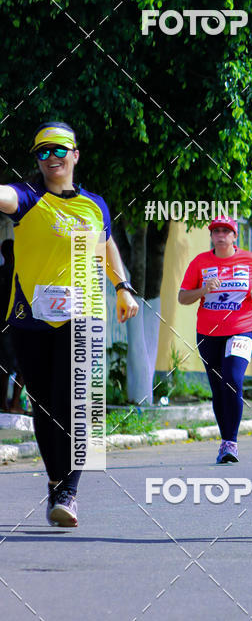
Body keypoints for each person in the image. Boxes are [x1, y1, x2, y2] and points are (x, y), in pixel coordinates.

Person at [0, 121, 138, 526]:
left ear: (75, 154)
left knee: (79, 404)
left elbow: (106, 244)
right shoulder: (28, 198)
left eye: (59, 150)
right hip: (31, 319)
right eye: (43, 152)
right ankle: (56, 482)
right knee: (45, 406)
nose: (52, 158)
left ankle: (69, 493)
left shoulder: (94, 205)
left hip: (84, 318)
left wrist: (123, 286)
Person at [178, 216, 252, 463]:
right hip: (208, 334)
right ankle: (225, 442)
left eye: (226, 230)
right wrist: (203, 290)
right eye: (216, 231)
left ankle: (231, 442)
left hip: (241, 330)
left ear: (234, 236)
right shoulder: (200, 262)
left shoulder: (249, 259)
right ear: (212, 236)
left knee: (232, 379)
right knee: (218, 388)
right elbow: (182, 297)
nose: (220, 234)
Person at [0, 239, 24, 412]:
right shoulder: (19, 274)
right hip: (16, 325)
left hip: (2, 325)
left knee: (3, 366)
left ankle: (3, 403)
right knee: (22, 366)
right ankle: (15, 404)